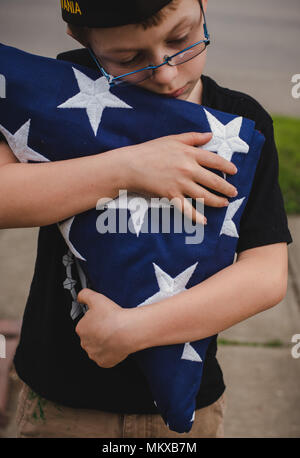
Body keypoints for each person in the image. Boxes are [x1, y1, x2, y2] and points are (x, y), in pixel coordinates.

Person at [0, 0, 292, 438]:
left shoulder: (241, 123)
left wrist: (131, 331)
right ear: (82, 39)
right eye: (128, 58)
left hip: (189, 402)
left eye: (181, 39)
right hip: (61, 398)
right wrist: (126, 169)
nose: (165, 73)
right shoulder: (59, 94)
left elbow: (266, 276)